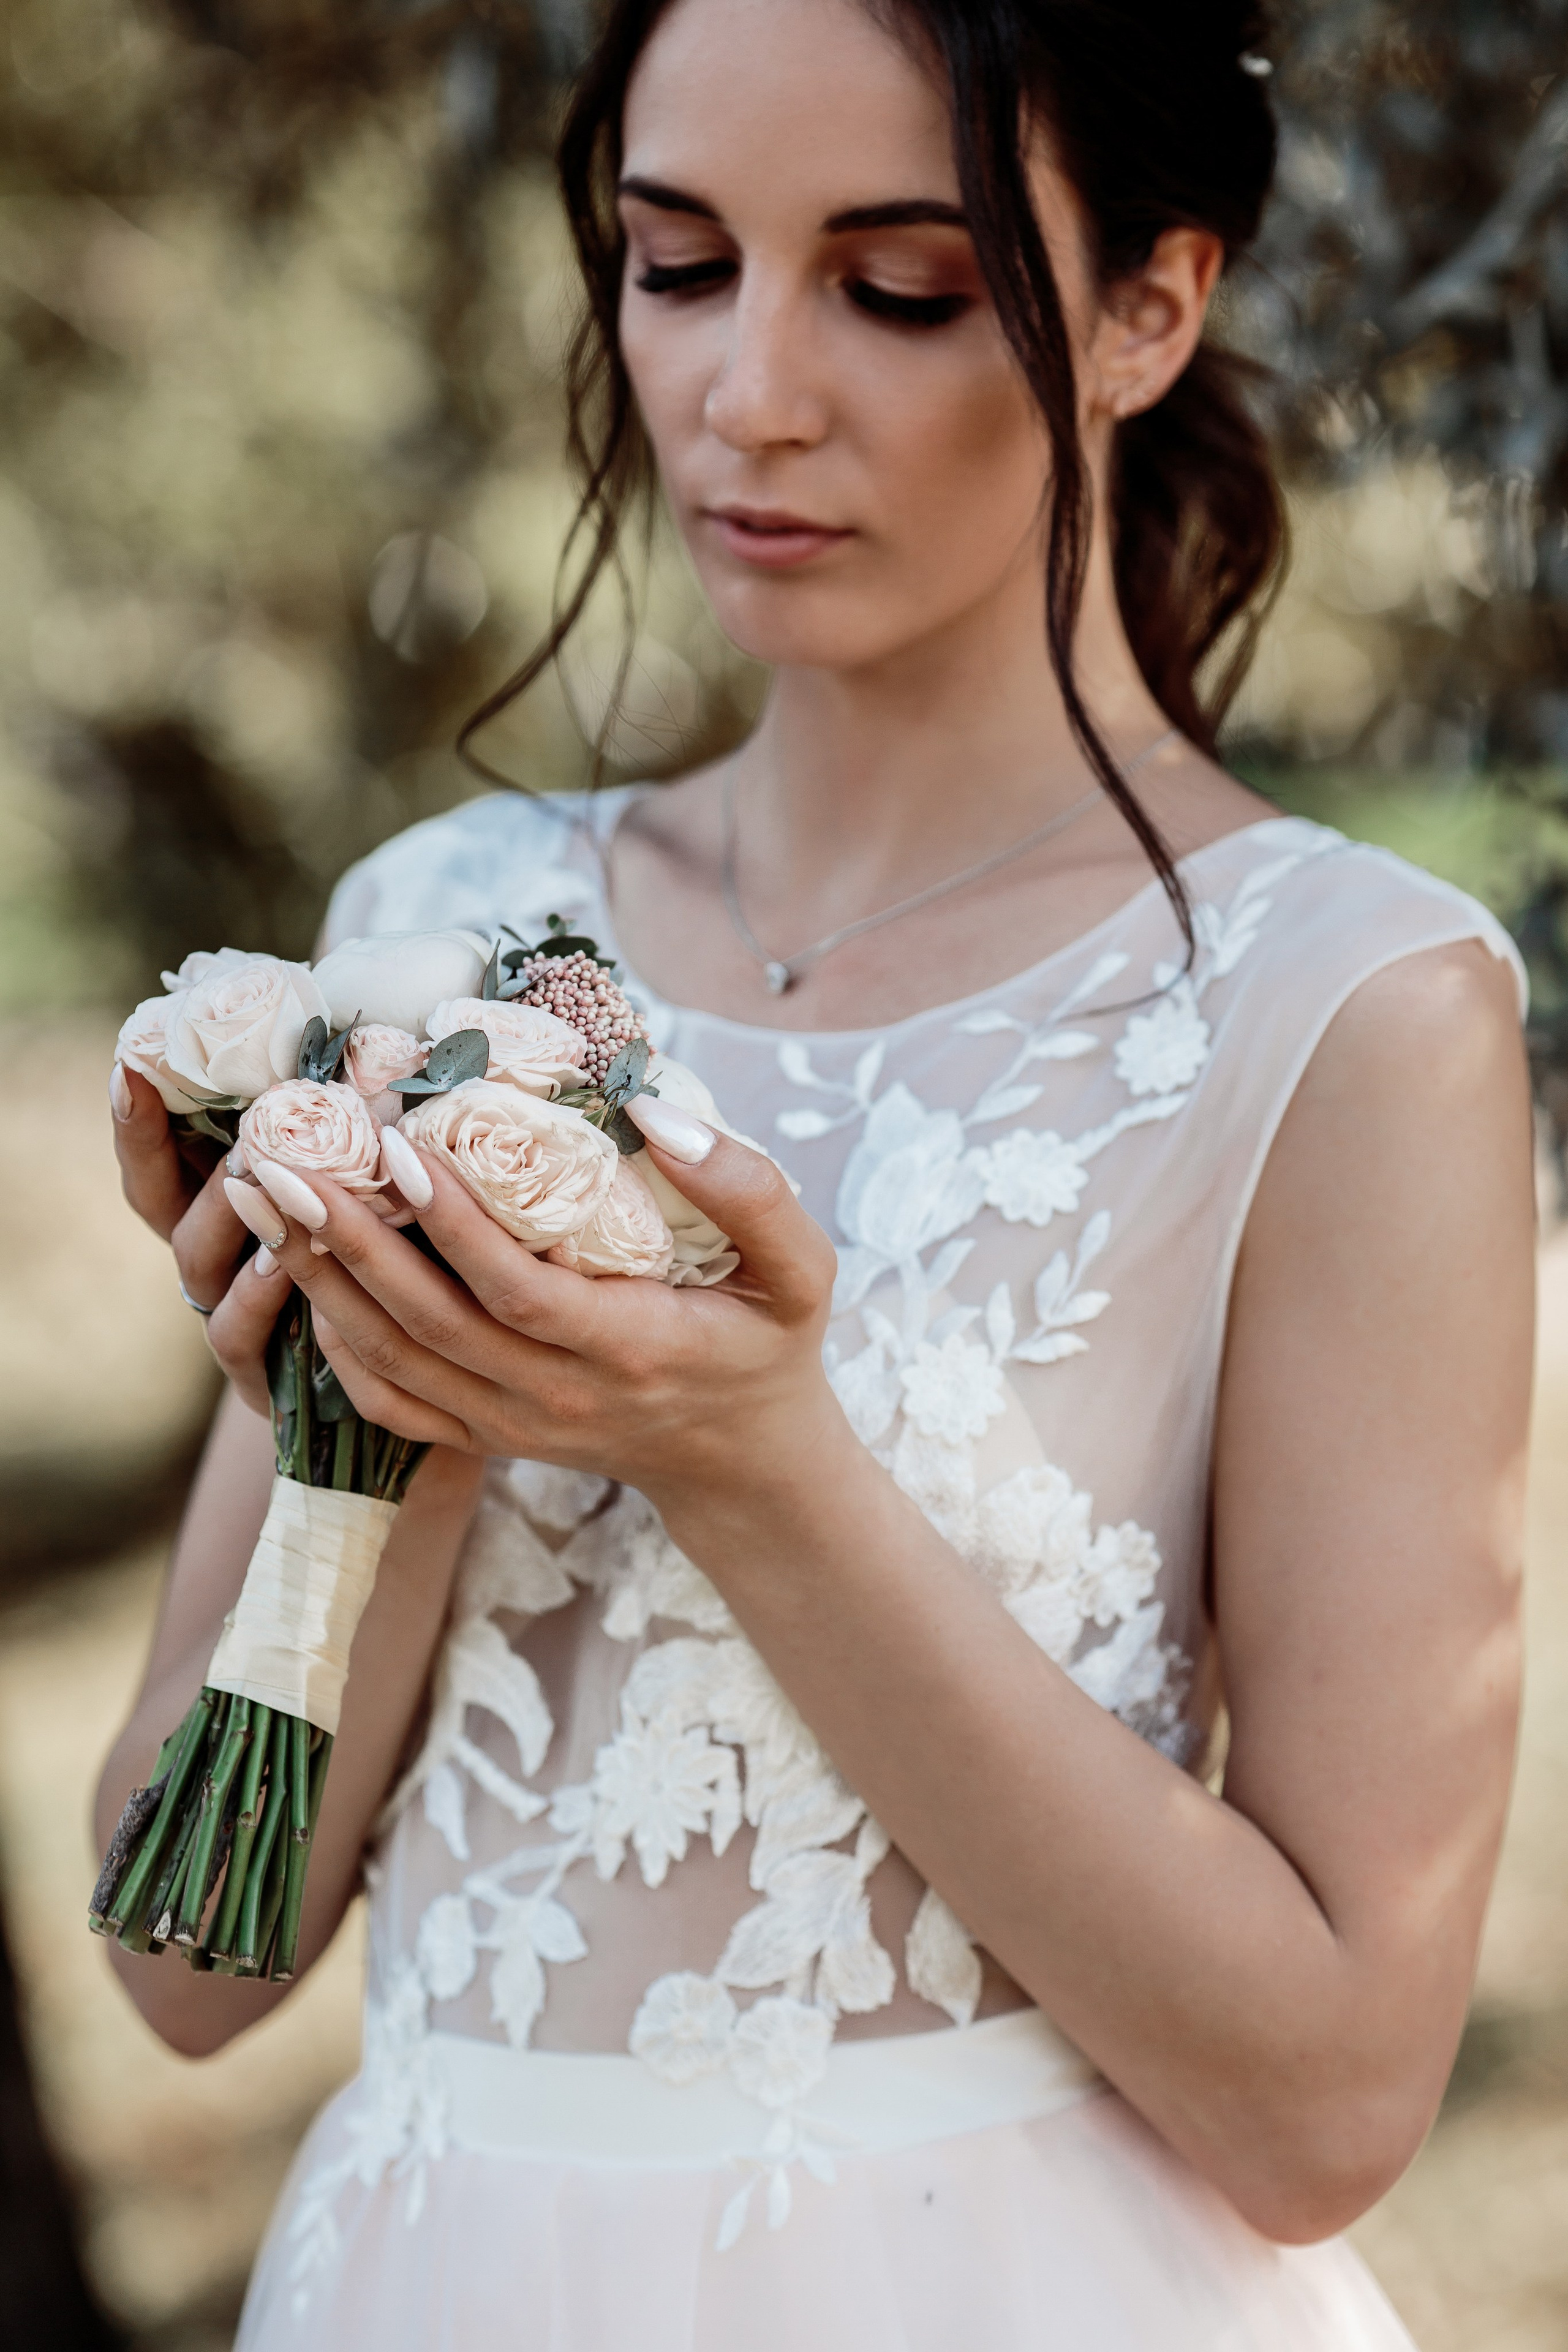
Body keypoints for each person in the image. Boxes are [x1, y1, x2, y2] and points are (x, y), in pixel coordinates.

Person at [99, 1, 1535, 2344]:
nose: (751, 392)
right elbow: (179, 1979)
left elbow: (1331, 2109)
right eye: (678, 266)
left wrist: (742, 1456)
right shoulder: (436, 934)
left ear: (1154, 304)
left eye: (902, 287)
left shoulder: (1348, 1010)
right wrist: (417, 1395)